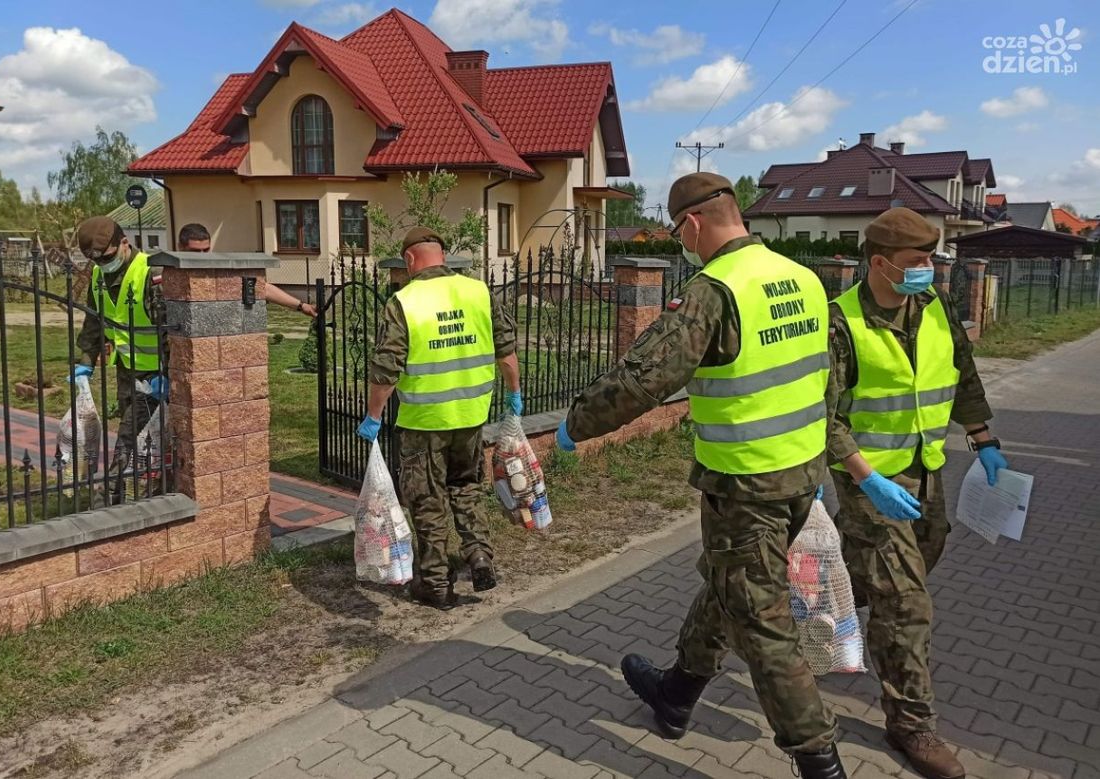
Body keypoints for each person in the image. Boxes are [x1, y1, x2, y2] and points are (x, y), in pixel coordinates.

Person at [555, 173, 846, 778]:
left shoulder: (715, 292)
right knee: (728, 588)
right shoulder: (806, 280)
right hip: (799, 474)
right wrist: (818, 458)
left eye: (675, 230)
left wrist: (575, 425)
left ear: (690, 225)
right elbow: (828, 376)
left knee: (764, 627)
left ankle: (820, 762)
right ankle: (677, 692)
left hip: (745, 489)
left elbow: (644, 378)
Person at [826, 207, 1006, 779]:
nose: (929, 269)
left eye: (932, 259)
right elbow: (821, 414)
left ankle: (806, 608)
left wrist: (984, 440)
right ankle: (911, 724)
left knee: (903, 569)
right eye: (917, 262)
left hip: (928, 471)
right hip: (869, 482)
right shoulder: (840, 322)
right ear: (879, 264)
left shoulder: (934, 309)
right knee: (907, 602)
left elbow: (963, 374)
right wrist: (865, 477)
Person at [358, 227, 521, 610]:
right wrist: (513, 394)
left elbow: (386, 369)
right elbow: (507, 352)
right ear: (442, 256)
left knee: (428, 501)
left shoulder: (404, 301)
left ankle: (434, 584)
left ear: (410, 260)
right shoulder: (479, 292)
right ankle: (478, 553)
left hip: (423, 422)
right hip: (471, 417)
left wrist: (373, 416)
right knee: (465, 486)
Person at [72, 216, 167, 499]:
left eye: (108, 258)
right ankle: (146, 486)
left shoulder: (150, 272)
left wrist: (169, 369)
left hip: (156, 374)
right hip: (127, 370)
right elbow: (93, 321)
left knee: (133, 432)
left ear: (124, 243)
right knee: (141, 434)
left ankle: (113, 490)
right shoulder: (100, 275)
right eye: (97, 261)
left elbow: (171, 326)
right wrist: (86, 362)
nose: (103, 265)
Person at [177, 223, 317, 317]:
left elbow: (261, 287)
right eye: (195, 251)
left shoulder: (219, 271)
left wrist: (301, 306)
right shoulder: (169, 276)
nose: (202, 256)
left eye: (206, 250)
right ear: (180, 247)